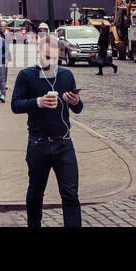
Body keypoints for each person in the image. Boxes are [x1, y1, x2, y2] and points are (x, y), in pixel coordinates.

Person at [10, 32, 84, 227]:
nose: (52, 61)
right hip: (38, 144)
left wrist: (75, 102)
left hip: (64, 143)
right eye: (47, 57)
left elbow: (78, 108)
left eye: (55, 57)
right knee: (35, 192)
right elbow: (15, 105)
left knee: (70, 194)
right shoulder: (26, 75)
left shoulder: (66, 75)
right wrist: (38, 102)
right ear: (39, 53)